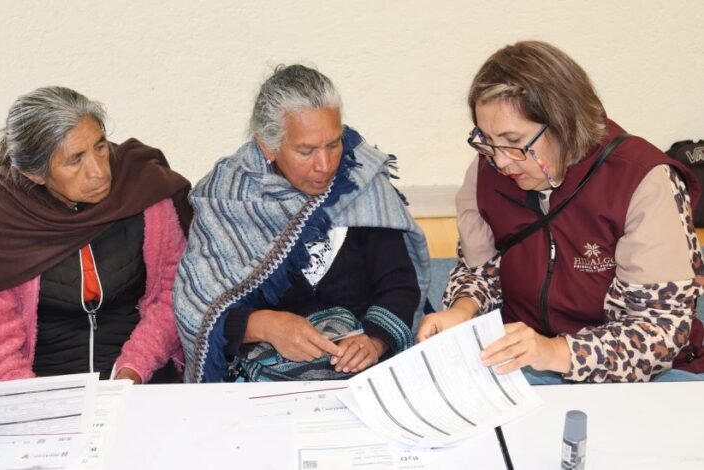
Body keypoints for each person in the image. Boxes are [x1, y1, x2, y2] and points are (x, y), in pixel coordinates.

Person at [417, 41, 704, 383]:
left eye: (514, 141)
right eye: (488, 140)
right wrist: (463, 309)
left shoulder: (643, 180)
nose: (500, 160)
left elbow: (659, 332)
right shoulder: (485, 173)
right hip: (519, 360)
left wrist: (554, 351)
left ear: (565, 123)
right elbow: (479, 270)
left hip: (633, 373)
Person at [174, 65, 430, 383]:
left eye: (334, 144)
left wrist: (376, 340)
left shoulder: (362, 182)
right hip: (262, 381)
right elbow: (199, 309)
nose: (325, 165)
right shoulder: (226, 199)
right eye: (305, 151)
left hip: (361, 377)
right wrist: (265, 325)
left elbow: (399, 284)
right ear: (269, 147)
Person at [0, 86, 193, 385]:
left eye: (101, 147)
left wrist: (133, 370)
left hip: (141, 370)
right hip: (35, 380)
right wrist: (31, 397)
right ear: (35, 174)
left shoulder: (144, 188)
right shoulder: (3, 215)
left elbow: (172, 293)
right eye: (75, 160)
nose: (99, 171)